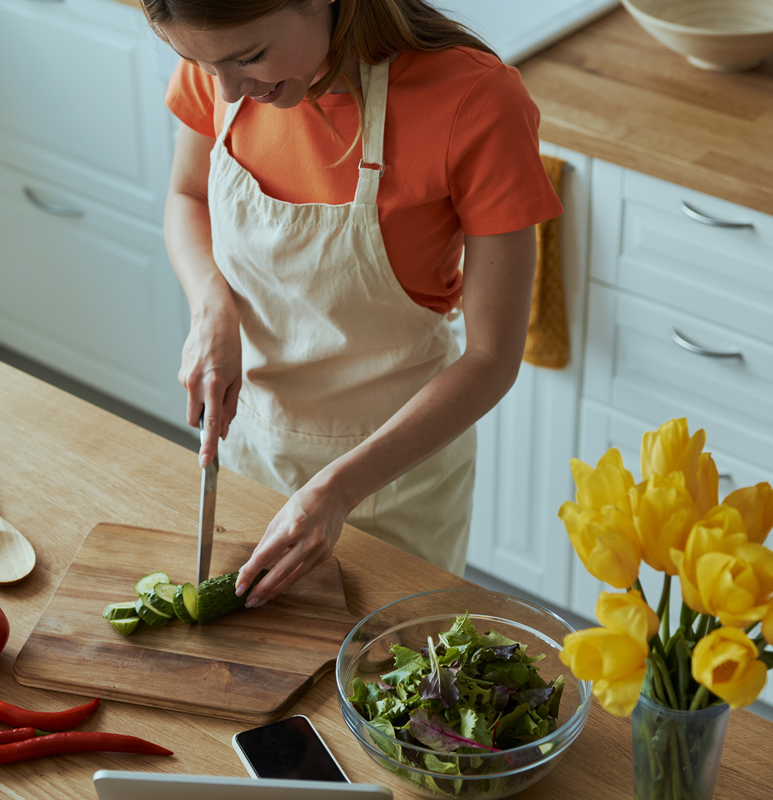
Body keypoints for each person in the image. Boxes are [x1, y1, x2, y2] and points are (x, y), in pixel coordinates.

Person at [143, 0, 563, 608]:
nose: (230, 89)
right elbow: (185, 197)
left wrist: (336, 491)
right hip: (250, 449)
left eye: (251, 57)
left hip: (392, 484)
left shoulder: (475, 101)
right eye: (202, 65)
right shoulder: (219, 55)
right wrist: (212, 309)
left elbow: (493, 357)